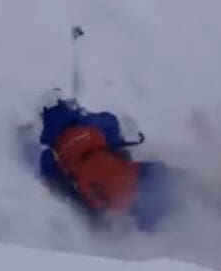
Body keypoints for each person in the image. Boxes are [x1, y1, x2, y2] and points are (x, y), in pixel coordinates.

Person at [36, 97, 186, 231]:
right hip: (130, 178)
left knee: (140, 207)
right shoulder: (90, 125)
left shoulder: (53, 153)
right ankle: (195, 187)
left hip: (105, 202)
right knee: (163, 176)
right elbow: (111, 123)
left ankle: (153, 223)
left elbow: (54, 181)